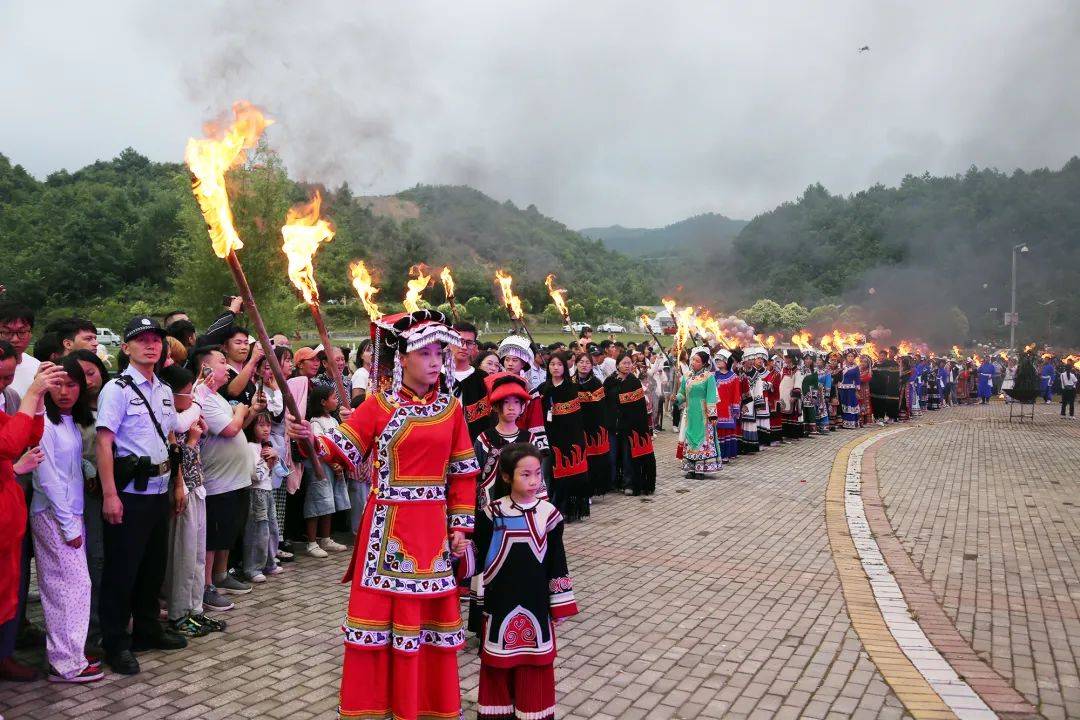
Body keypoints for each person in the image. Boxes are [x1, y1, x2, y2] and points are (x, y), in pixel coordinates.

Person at [287, 309, 479, 719]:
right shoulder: (378, 405)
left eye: (438, 353)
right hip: (386, 530)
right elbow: (340, 451)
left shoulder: (452, 409)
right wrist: (308, 439)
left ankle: (425, 706)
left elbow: (464, 471)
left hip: (432, 530)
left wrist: (461, 523)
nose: (434, 361)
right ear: (403, 359)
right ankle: (376, 705)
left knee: (427, 628)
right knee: (377, 628)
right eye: (425, 353)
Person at [95, 317, 188, 675]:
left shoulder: (164, 390)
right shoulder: (116, 390)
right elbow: (104, 443)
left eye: (156, 340)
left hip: (159, 490)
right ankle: (116, 642)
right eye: (142, 340)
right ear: (126, 347)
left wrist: (177, 484)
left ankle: (148, 629)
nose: (151, 345)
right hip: (129, 493)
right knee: (122, 571)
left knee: (152, 568)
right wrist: (109, 495)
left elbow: (171, 440)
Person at [462, 442, 578, 720]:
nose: (534, 481)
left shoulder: (549, 515)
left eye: (537, 473)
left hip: (536, 606)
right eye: (525, 475)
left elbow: (556, 563)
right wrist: (456, 549)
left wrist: (558, 605)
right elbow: (475, 556)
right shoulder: (492, 513)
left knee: (535, 668)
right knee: (497, 668)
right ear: (506, 476)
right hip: (500, 604)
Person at [30, 356, 104, 682]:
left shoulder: (69, 420)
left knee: (72, 587)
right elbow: (46, 479)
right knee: (68, 588)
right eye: (57, 383)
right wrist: (68, 523)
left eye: (72, 384)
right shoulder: (43, 422)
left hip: (70, 512)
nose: (64, 391)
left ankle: (70, 653)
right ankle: (65, 661)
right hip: (53, 514)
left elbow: (70, 468)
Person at [0, 352, 61, 683]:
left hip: (8, 524)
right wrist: (32, 394)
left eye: (10, 378)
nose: (5, 385)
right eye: (0, 378)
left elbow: (28, 436)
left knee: (8, 599)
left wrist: (37, 405)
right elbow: (9, 443)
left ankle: (4, 657)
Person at [158, 364, 224, 636]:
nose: (190, 398)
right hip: (182, 488)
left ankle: (195, 608)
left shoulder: (186, 413)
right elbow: (178, 453)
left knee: (197, 553)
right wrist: (200, 397)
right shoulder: (169, 419)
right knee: (183, 556)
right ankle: (178, 612)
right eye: (186, 393)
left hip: (198, 486)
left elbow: (197, 427)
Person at [190, 346, 256, 611]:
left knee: (227, 533)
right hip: (218, 482)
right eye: (221, 362)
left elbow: (240, 426)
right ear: (205, 368)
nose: (227, 367)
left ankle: (221, 575)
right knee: (213, 537)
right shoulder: (201, 397)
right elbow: (230, 429)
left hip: (236, 479)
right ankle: (206, 587)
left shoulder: (216, 396)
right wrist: (240, 412)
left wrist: (247, 413)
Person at [68, 348, 109, 651]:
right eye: (79, 375)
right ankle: (90, 632)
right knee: (93, 559)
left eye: (91, 372)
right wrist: (89, 469)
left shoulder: (114, 399)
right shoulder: (69, 411)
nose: (87, 380)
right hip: (85, 495)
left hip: (119, 491)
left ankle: (110, 621)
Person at [537, 352, 589, 520]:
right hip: (549, 438)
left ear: (564, 367)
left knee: (570, 475)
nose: (556, 367)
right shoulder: (543, 388)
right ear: (548, 367)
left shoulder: (572, 388)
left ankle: (569, 509)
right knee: (550, 475)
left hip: (570, 438)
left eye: (559, 364)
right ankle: (552, 509)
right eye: (552, 364)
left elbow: (579, 418)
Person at [302, 385, 351, 557]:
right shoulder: (315, 422)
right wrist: (332, 463)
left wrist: (339, 462)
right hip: (320, 468)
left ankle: (325, 538)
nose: (336, 401)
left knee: (328, 502)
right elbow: (319, 447)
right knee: (316, 502)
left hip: (333, 467)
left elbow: (338, 443)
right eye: (333, 398)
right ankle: (311, 542)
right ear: (323, 402)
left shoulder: (335, 420)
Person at [604, 353, 656, 496]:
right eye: (624, 363)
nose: (627, 366)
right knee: (612, 456)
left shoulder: (634, 382)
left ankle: (629, 483)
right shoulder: (609, 381)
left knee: (628, 457)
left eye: (629, 363)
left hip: (630, 427)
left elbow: (639, 408)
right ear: (618, 365)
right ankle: (612, 482)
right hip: (612, 426)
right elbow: (605, 403)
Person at [243, 412, 287, 581]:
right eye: (261, 425)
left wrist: (275, 458)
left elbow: (281, 472)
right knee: (258, 530)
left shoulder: (267, 446)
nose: (266, 429)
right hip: (256, 492)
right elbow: (256, 475)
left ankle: (269, 562)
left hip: (269, 491)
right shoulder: (250, 447)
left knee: (272, 529)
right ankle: (253, 568)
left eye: (268, 425)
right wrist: (268, 462)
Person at [676, 348, 721, 479]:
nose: (693, 362)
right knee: (690, 438)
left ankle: (701, 469)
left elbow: (711, 396)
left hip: (703, 415)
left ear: (704, 364)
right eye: (693, 360)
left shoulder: (709, 377)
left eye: (697, 361)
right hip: (690, 414)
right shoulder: (687, 376)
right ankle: (690, 468)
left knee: (702, 440)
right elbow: (682, 393)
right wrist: (676, 398)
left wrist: (712, 415)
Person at [499, 336, 548, 451]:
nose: (510, 363)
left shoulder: (530, 390)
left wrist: (537, 447)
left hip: (522, 440)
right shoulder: (496, 385)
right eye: (507, 359)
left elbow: (535, 420)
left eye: (515, 360)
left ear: (523, 364)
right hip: (498, 438)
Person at [573, 353, 612, 498]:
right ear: (576, 363)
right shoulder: (569, 383)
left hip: (593, 427)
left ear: (592, 365)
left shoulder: (596, 384)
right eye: (581, 362)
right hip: (574, 426)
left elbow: (601, 409)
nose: (584, 365)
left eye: (587, 362)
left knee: (592, 460)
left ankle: (591, 489)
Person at [452, 323, 493, 441]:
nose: (464, 347)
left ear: (474, 345)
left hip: (473, 442)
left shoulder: (482, 378)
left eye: (469, 343)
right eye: (459, 341)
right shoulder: (435, 376)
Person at [0, 302, 41, 398]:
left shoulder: (37, 368)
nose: (15, 339)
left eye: (22, 332)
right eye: (6, 332)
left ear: (31, 333)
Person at [712, 350, 742, 460]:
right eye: (717, 360)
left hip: (728, 410)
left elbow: (736, 394)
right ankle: (716, 454)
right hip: (716, 409)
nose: (718, 362)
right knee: (717, 432)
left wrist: (735, 408)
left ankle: (726, 455)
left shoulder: (734, 377)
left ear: (726, 361)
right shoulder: (713, 376)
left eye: (720, 359)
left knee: (726, 432)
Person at [838, 351, 862, 428]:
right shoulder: (841, 366)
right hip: (841, 388)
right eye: (849, 356)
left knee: (851, 404)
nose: (850, 358)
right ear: (846, 357)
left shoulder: (856, 367)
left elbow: (858, 379)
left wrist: (857, 391)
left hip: (851, 389)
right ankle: (844, 422)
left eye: (852, 356)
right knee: (843, 404)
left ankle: (852, 422)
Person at [350, 339, 373, 407]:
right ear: (361, 356)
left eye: (374, 350)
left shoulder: (372, 374)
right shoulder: (361, 374)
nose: (372, 353)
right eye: (368, 350)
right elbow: (357, 403)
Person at [858, 356, 874, 425]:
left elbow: (866, 379)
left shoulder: (869, 371)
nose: (863, 363)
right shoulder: (857, 370)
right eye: (862, 362)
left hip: (865, 389)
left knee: (865, 402)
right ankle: (859, 419)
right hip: (858, 389)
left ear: (868, 363)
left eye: (865, 362)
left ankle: (866, 420)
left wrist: (856, 379)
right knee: (859, 402)